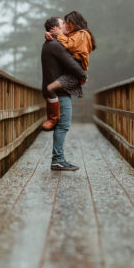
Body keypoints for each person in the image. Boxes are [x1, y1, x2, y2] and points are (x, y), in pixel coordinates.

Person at [40, 16, 86, 171]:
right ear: (54, 29)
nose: (66, 26)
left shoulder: (52, 42)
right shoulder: (54, 45)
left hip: (57, 89)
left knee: (61, 124)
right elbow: (70, 62)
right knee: (63, 125)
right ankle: (58, 159)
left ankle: (58, 159)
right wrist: (83, 75)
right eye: (62, 24)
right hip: (59, 90)